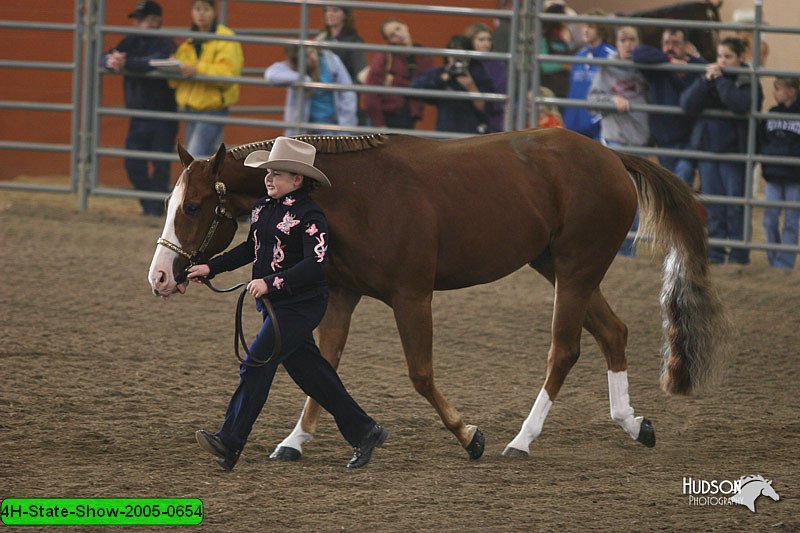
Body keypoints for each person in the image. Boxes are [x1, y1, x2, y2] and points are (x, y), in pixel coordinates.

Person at [187, 137, 388, 471]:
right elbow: (251, 247)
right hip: (274, 306)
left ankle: (230, 441)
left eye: (279, 173)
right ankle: (365, 430)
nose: (269, 178)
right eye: (269, 172)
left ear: (298, 180)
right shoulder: (264, 208)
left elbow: (315, 264)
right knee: (313, 375)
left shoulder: (311, 216)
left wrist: (271, 282)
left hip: (301, 304)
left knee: (256, 363)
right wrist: (212, 266)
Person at [680, 37, 763, 265]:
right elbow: (687, 104)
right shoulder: (709, 78)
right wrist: (705, 82)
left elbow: (740, 105)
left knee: (735, 208)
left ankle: (738, 256)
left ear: (740, 58)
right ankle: (715, 254)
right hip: (708, 151)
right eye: (719, 56)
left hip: (735, 154)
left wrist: (719, 81)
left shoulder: (747, 79)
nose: (722, 61)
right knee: (714, 207)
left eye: (728, 57)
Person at [102, 1, 177, 217]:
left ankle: (155, 210)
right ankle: (152, 208)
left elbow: (156, 62)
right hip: (139, 116)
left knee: (160, 165)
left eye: (142, 19)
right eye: (138, 19)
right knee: (134, 164)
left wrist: (125, 63)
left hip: (163, 115)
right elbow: (106, 57)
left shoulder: (164, 43)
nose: (137, 23)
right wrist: (111, 60)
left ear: (156, 21)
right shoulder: (130, 41)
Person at [588, 25, 649, 256]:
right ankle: (624, 251)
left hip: (641, 143)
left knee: (636, 201)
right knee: (626, 200)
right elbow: (592, 101)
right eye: (623, 40)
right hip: (617, 141)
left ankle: (624, 249)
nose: (628, 44)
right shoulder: (607, 69)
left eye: (632, 39)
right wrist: (611, 100)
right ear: (616, 42)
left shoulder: (645, 67)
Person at [632, 28, 705, 188]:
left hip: (690, 140)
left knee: (681, 177)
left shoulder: (697, 66)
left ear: (686, 45)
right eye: (666, 43)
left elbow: (707, 72)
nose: (670, 47)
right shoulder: (658, 65)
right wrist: (669, 61)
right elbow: (638, 53)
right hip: (665, 140)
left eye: (675, 43)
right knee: (672, 182)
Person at [171, 0, 243, 158]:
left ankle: (196, 183)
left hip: (213, 108)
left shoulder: (226, 38)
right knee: (203, 160)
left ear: (214, 12)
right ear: (192, 12)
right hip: (192, 108)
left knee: (194, 157)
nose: (201, 13)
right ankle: (211, 183)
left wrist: (197, 69)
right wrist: (173, 67)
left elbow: (227, 75)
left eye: (206, 9)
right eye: (197, 9)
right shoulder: (189, 42)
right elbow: (174, 81)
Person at [412, 35, 496, 134]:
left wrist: (471, 86)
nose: (458, 60)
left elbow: (486, 109)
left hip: (473, 132)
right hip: (446, 131)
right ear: (447, 56)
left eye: (462, 56)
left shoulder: (479, 74)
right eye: (454, 56)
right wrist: (442, 79)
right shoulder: (441, 73)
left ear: (469, 56)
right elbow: (415, 88)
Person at [264, 46, 357, 136]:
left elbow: (348, 94)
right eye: (306, 56)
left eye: (312, 51)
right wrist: (303, 79)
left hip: (332, 127)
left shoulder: (331, 61)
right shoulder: (296, 69)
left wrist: (344, 130)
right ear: (298, 61)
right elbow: (271, 75)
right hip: (304, 130)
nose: (313, 58)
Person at [363, 19, 434, 130]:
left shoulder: (422, 54)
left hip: (410, 116)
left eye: (398, 28)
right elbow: (370, 93)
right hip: (389, 117)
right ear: (390, 41)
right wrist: (379, 125)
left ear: (405, 26)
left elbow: (426, 86)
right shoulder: (385, 56)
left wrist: (395, 81)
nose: (398, 34)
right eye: (392, 35)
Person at [759, 77, 800, 269]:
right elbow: (761, 139)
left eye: (779, 89)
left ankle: (784, 264)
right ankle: (774, 257)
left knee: (791, 221)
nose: (775, 93)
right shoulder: (772, 113)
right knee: (769, 218)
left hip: (795, 177)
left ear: (792, 91)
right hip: (774, 175)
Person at [562, 9, 616, 141]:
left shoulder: (611, 55)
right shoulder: (580, 55)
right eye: (584, 26)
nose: (585, 30)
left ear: (601, 29)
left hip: (598, 127)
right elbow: (572, 89)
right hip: (574, 124)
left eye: (590, 26)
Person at [315, 5, 368, 125]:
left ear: (345, 15)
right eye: (327, 10)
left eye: (334, 10)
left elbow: (361, 74)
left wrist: (345, 92)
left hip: (344, 100)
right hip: (322, 99)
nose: (329, 14)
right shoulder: (321, 37)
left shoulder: (354, 41)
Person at [464, 22, 507, 132]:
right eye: (481, 40)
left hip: (493, 118)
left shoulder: (497, 63)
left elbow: (500, 92)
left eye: (489, 40)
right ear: (470, 41)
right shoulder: (464, 61)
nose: (486, 43)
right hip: (467, 116)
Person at [538, 2, 575, 100]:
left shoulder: (570, 35)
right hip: (551, 90)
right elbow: (544, 66)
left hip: (568, 89)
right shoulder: (544, 38)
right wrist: (563, 65)